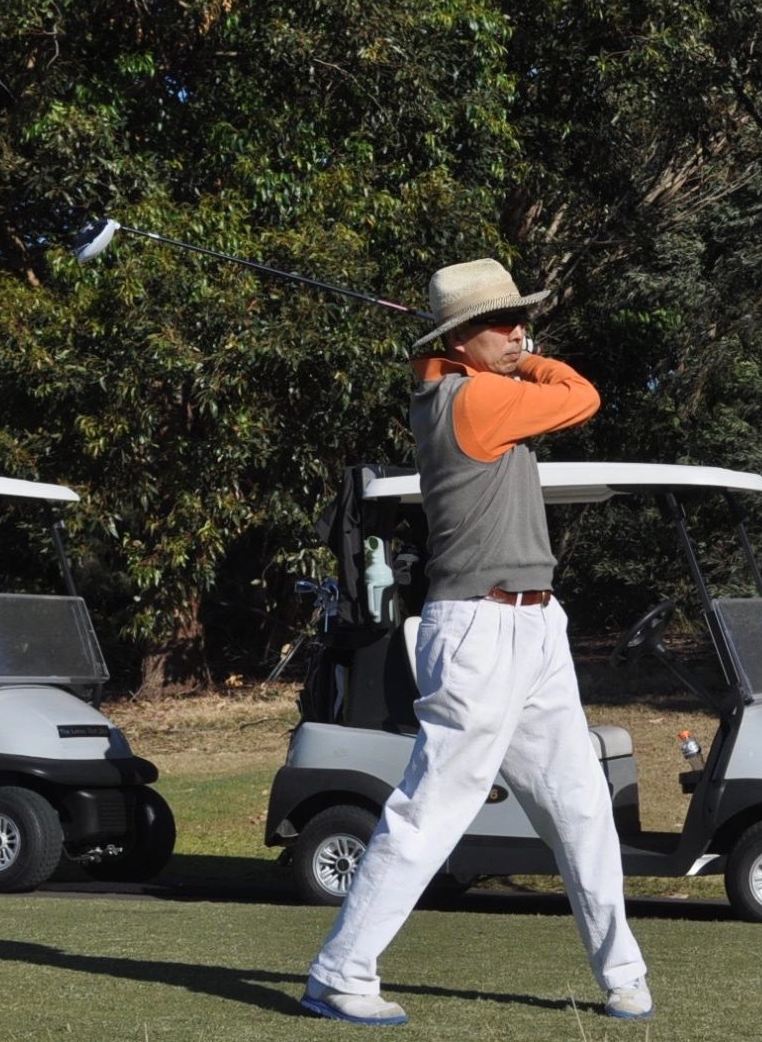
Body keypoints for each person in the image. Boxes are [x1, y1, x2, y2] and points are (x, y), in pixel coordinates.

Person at [302, 258, 651, 1026]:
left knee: (579, 805)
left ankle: (622, 973)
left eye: (520, 320)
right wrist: (527, 362)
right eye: (500, 322)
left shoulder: (457, 384)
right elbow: (582, 395)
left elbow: (447, 368)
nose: (518, 332)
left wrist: (489, 351)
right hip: (478, 631)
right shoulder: (478, 398)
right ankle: (338, 973)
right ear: (460, 338)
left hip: (533, 625)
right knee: (432, 809)